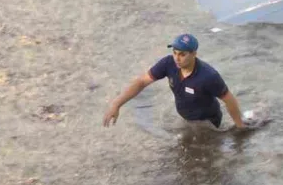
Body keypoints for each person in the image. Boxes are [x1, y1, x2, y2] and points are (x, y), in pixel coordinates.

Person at [102, 33, 248, 131]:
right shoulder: (168, 64)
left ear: (194, 54)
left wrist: (240, 126)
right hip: (186, 119)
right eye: (175, 53)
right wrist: (116, 104)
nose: (177, 58)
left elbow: (229, 100)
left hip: (208, 124)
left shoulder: (208, 76)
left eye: (182, 54)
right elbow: (141, 82)